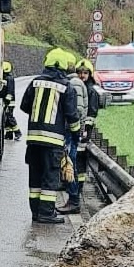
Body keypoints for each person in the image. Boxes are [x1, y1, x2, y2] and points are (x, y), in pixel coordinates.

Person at [20, 47, 80, 224]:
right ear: (63, 66)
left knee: (35, 177)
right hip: (53, 142)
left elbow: (24, 106)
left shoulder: (35, 83)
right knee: (50, 177)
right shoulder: (67, 87)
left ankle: (36, 212)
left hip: (33, 140)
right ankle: (46, 213)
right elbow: (72, 116)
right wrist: (76, 135)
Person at [56, 53, 87, 215]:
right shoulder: (75, 82)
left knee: (69, 163)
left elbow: (77, 110)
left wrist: (71, 128)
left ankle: (73, 200)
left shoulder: (73, 84)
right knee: (69, 163)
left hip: (70, 131)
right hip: (72, 130)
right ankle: (72, 198)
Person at [0, 61, 21, 140]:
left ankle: (18, 132)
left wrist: (7, 100)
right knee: (5, 118)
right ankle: (9, 134)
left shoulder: (9, 78)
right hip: (4, 101)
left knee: (9, 117)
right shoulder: (4, 78)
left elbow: (10, 90)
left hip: (9, 102)